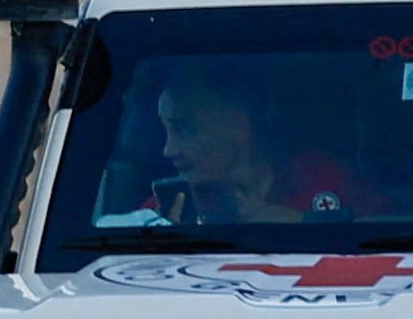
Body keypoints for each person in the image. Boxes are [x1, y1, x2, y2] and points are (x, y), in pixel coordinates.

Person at [147, 70, 372, 224]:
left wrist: (301, 222)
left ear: (238, 126)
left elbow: (389, 237)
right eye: (166, 130)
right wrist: (167, 238)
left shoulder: (326, 178)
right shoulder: (165, 208)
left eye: (184, 129)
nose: (169, 149)